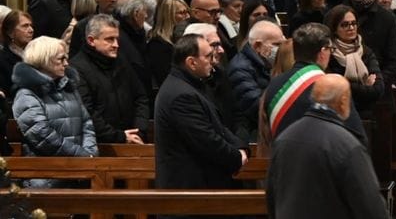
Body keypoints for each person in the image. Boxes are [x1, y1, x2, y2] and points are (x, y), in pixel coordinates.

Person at [267, 75, 389, 219]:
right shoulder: (348, 146)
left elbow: (272, 197)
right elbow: (371, 208)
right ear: (344, 101)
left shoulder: (284, 139)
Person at [154, 35, 249, 195]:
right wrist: (236, 157)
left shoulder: (193, 86)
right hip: (188, 193)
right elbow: (207, 140)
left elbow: (218, 127)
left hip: (200, 186)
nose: (213, 61)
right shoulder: (181, 95)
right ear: (191, 62)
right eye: (208, 56)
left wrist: (241, 147)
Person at [12, 36, 97, 184]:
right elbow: (42, 135)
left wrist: (90, 153)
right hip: (46, 176)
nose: (66, 63)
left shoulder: (69, 88)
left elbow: (86, 123)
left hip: (79, 172)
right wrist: (81, 156)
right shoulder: (27, 94)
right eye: (60, 59)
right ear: (44, 60)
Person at [71, 14, 149, 145]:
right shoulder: (77, 68)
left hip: (133, 139)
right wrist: (119, 136)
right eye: (109, 39)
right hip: (100, 145)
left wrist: (138, 130)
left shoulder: (121, 61)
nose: (116, 45)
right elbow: (86, 112)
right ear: (91, 40)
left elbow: (141, 97)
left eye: (117, 39)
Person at [324, 4, 385, 111]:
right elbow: (334, 89)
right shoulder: (329, 54)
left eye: (354, 24)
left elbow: (378, 89)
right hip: (337, 111)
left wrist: (345, 83)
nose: (351, 28)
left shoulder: (366, 52)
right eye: (345, 25)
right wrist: (365, 86)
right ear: (334, 29)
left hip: (366, 112)